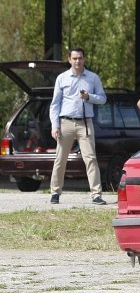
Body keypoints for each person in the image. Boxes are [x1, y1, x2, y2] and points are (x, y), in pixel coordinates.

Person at [48, 47, 107, 205]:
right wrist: (55, 126)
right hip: (65, 122)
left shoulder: (93, 78)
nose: (77, 61)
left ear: (84, 59)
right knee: (60, 159)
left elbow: (102, 99)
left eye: (80, 58)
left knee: (90, 158)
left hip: (85, 123)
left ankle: (96, 194)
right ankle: (55, 192)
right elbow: (55, 104)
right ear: (69, 60)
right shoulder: (62, 78)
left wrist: (89, 97)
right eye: (74, 58)